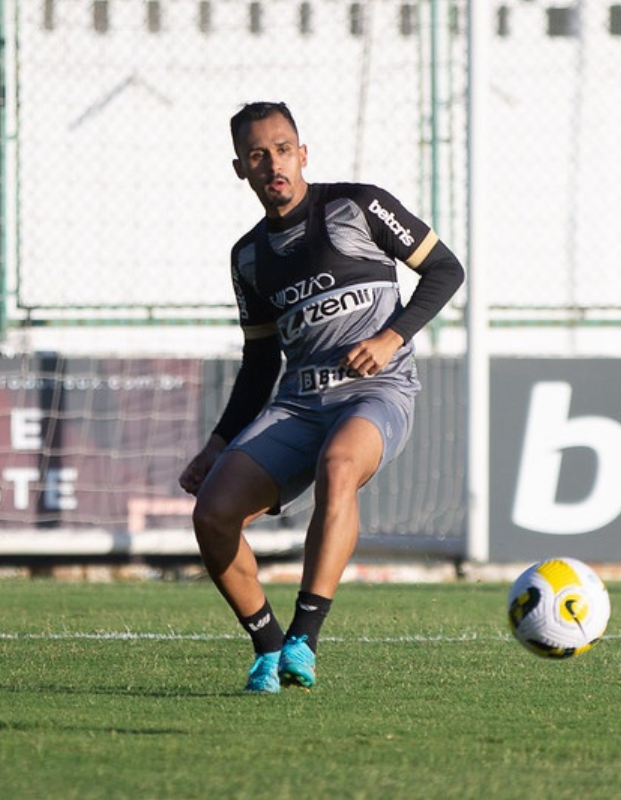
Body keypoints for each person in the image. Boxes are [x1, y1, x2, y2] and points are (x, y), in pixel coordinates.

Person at [178, 101, 465, 693]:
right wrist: (217, 443)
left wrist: (391, 338)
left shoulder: (355, 205)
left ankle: (306, 639)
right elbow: (260, 364)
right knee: (211, 511)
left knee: (340, 467)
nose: (273, 164)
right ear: (241, 169)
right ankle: (267, 648)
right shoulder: (248, 257)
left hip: (376, 391)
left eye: (283, 149)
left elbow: (444, 269)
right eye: (258, 155)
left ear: (302, 153)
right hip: (298, 405)